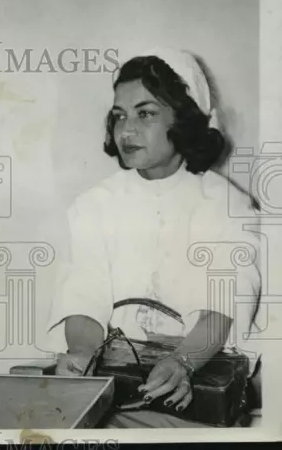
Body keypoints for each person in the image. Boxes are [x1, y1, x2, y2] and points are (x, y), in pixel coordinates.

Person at [46, 48, 263, 428]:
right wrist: (81, 354)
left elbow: (221, 305)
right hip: (115, 385)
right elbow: (83, 295)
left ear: (184, 119)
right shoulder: (93, 205)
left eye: (144, 113)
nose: (126, 130)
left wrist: (182, 362)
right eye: (119, 116)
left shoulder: (227, 204)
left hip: (194, 384)